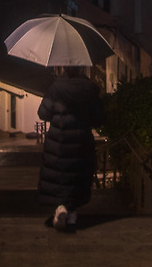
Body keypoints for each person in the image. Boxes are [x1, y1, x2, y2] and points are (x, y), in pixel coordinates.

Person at [36, 66, 105, 232]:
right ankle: (72, 213)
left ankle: (60, 207)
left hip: (58, 141)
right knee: (77, 176)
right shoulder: (89, 90)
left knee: (59, 174)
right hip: (81, 141)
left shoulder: (55, 88)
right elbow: (99, 118)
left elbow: (43, 113)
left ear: (64, 68)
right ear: (81, 68)